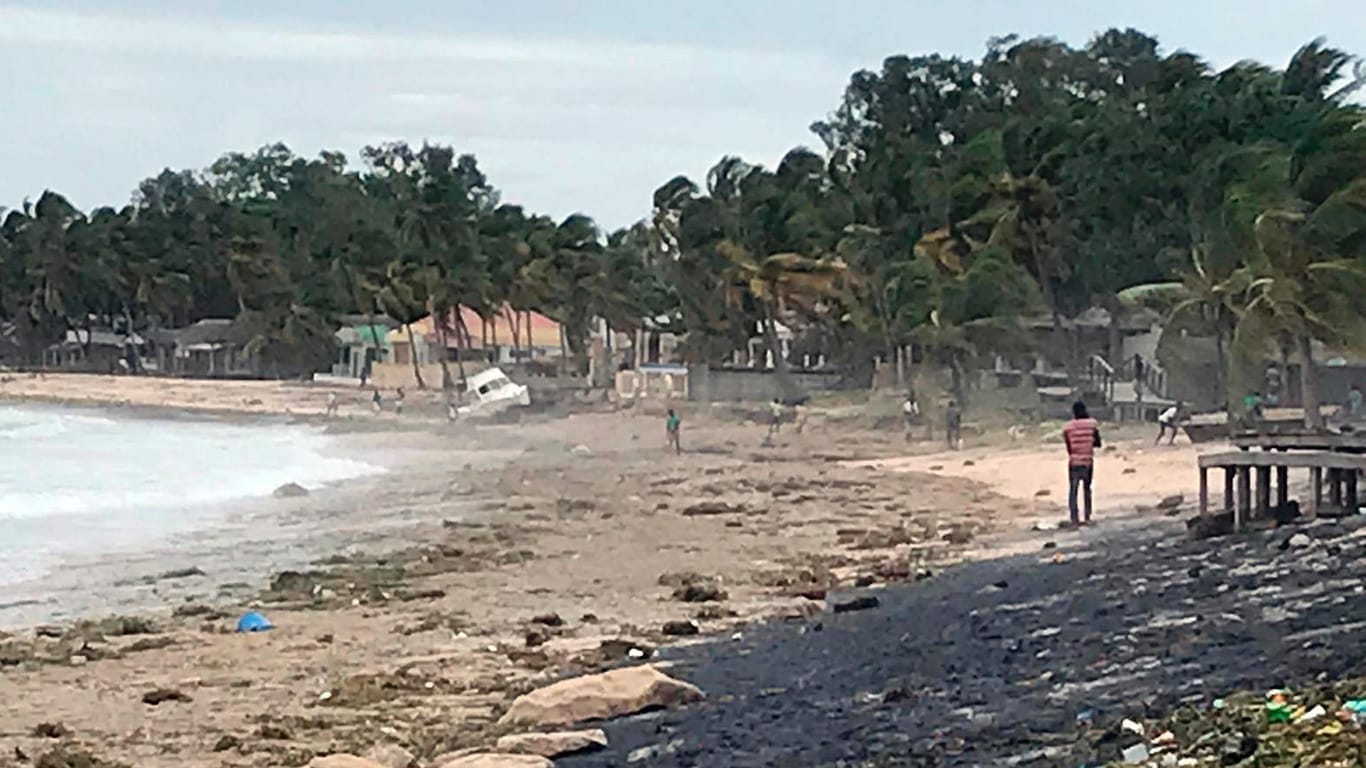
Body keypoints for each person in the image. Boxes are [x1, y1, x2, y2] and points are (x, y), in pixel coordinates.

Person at [1063, 401, 1102, 526]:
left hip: (1074, 462)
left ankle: (1074, 518)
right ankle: (1087, 517)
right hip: (1087, 462)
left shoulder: (1068, 428)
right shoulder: (1092, 424)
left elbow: (1069, 448)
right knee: (1087, 489)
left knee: (1073, 490)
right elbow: (1098, 443)